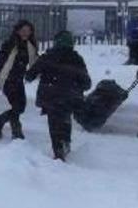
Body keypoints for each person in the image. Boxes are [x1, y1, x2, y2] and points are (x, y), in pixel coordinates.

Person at [25, 30, 91, 161]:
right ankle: (65, 142)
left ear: (56, 42)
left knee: (53, 122)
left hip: (50, 95)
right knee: (65, 119)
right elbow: (86, 82)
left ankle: (58, 149)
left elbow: (31, 74)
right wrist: (78, 87)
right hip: (69, 96)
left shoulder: (48, 57)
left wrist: (29, 76)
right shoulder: (77, 59)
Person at [0, 20, 38, 139]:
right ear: (17, 31)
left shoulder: (30, 46)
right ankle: (16, 131)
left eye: (28, 31)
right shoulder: (10, 44)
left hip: (19, 80)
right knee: (18, 106)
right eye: (23, 30)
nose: (25, 33)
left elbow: (36, 62)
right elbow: (0, 61)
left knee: (19, 107)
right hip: (8, 79)